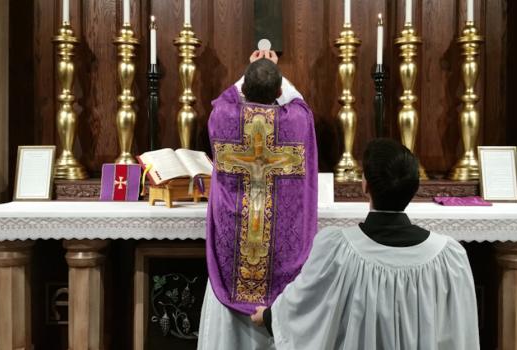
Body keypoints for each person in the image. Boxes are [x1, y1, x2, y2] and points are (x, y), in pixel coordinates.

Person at [251, 138, 480, 350]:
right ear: (413, 189)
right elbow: (461, 332)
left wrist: (270, 317)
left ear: (365, 186)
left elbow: (304, 302)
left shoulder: (337, 250)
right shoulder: (449, 257)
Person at [198, 50, 318, 350]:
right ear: (279, 91)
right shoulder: (297, 123)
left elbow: (226, 97)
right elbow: (299, 102)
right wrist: (273, 72)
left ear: (245, 89)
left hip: (238, 237)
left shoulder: (223, 117)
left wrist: (250, 70)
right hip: (277, 247)